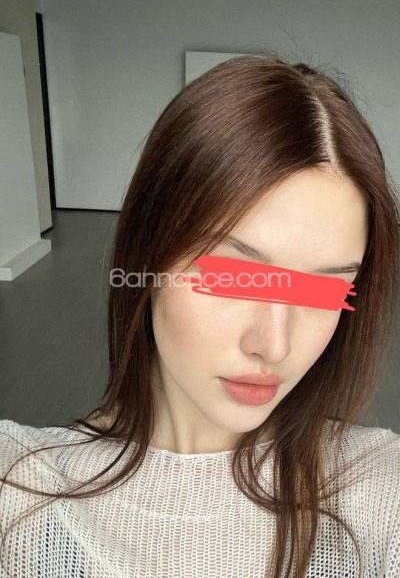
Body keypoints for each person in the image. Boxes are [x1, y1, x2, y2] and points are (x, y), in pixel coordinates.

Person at [1, 53, 399, 578]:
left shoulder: (379, 486)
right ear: (147, 258)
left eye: (323, 289)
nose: (274, 345)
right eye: (235, 277)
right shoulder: (20, 492)